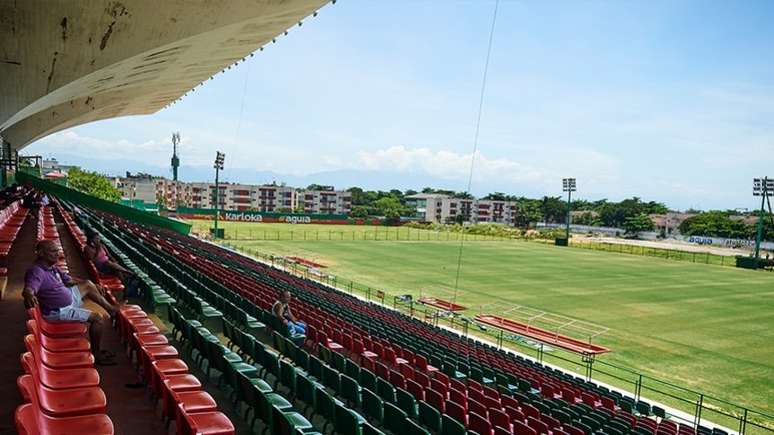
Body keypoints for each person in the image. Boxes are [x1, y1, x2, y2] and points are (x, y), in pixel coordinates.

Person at [23, 240, 119, 365]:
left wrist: (91, 284)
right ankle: (97, 354)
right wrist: (28, 294)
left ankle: (111, 309)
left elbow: (69, 281)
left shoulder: (52, 266)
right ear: (41, 253)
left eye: (57, 251)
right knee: (97, 319)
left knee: (88, 285)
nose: (57, 254)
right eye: (53, 251)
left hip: (68, 299)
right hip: (58, 311)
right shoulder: (37, 271)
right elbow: (29, 288)